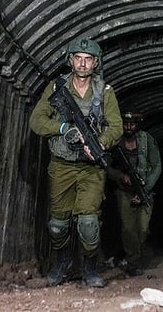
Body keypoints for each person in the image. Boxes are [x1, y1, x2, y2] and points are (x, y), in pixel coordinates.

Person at [29, 38, 123, 288]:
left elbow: (116, 126)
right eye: (78, 58)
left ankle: (89, 268)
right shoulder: (56, 88)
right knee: (58, 224)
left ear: (95, 62)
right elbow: (37, 121)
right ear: (70, 60)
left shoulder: (105, 91)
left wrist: (101, 143)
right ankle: (61, 263)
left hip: (91, 168)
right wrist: (62, 128)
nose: (83, 63)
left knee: (89, 222)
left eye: (88, 59)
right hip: (62, 164)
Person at [106, 111, 162, 276]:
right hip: (124, 192)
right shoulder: (115, 141)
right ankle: (133, 262)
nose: (129, 127)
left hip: (145, 190)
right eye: (125, 124)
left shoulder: (146, 140)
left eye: (132, 124)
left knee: (143, 229)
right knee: (129, 229)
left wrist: (145, 189)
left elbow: (157, 165)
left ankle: (138, 254)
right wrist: (121, 176)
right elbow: (106, 166)